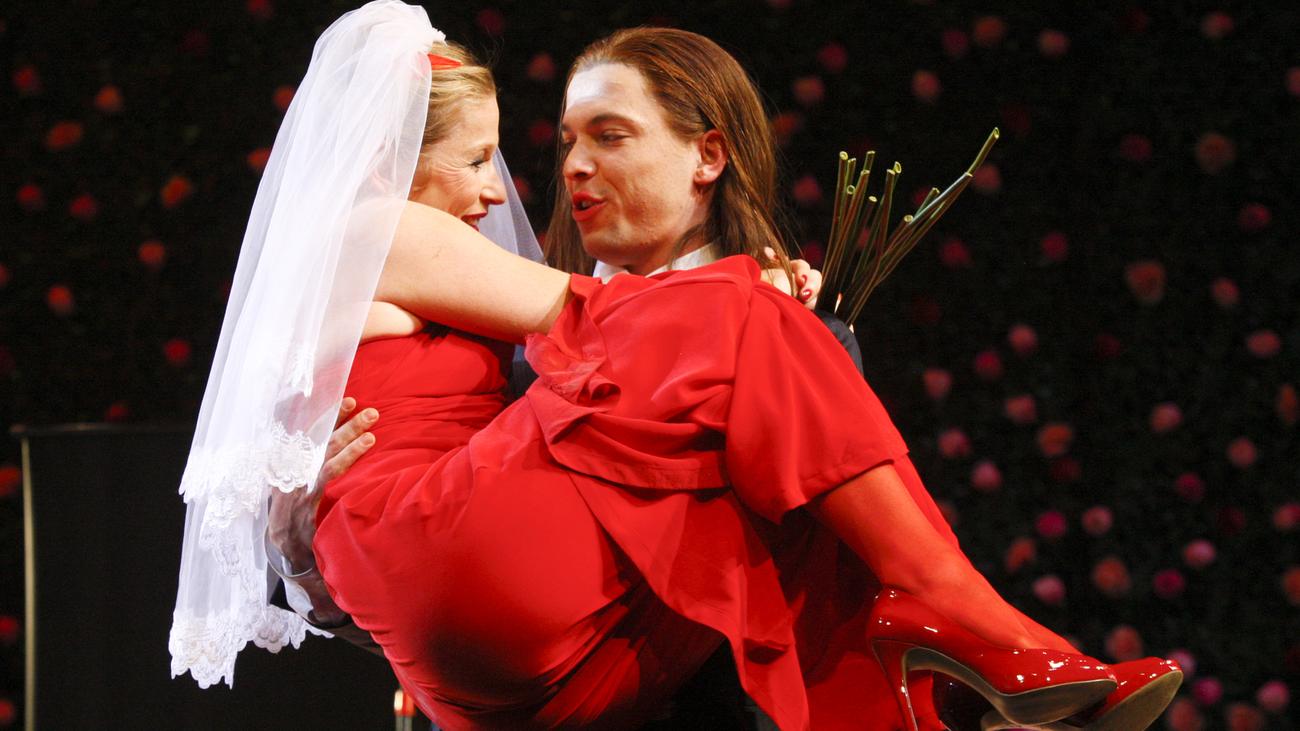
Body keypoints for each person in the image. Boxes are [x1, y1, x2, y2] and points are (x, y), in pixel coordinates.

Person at [171, 4, 1180, 730]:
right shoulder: (486, 292)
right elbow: (439, 556)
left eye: (608, 136)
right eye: (552, 143)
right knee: (735, 320)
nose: (545, 176)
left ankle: (949, 649)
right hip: (492, 651)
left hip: (614, 691)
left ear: (708, 155)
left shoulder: (804, 331)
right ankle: (961, 617)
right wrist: (299, 554)